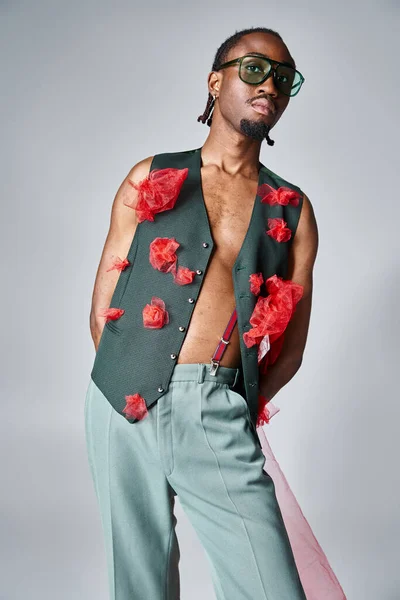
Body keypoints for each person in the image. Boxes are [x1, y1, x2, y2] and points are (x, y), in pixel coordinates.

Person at [84, 26, 346, 600]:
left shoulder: (294, 211)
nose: (270, 85)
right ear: (215, 81)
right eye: (254, 69)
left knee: (271, 588)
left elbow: (292, 347)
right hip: (121, 400)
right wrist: (129, 378)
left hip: (218, 404)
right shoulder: (149, 175)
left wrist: (231, 401)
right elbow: (102, 307)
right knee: (138, 585)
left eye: (284, 77)